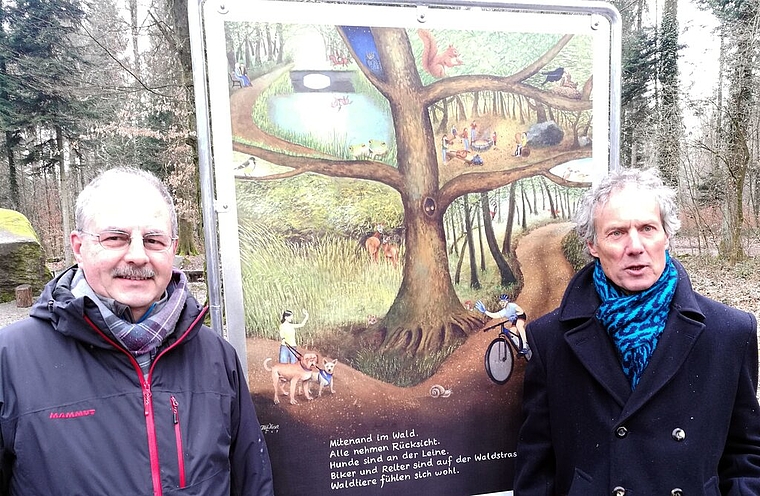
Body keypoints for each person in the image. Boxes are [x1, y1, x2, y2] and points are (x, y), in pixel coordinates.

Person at [0, 167, 274, 495]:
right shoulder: (11, 360)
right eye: (115, 238)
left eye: (154, 240)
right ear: (78, 246)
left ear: (172, 248)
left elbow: (251, 481)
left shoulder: (216, 356)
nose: (137, 255)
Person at [514, 167, 760, 495]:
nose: (635, 246)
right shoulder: (550, 340)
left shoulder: (729, 333)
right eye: (616, 233)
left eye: (647, 228)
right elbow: (536, 468)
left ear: (666, 235)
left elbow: (746, 455)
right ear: (592, 244)